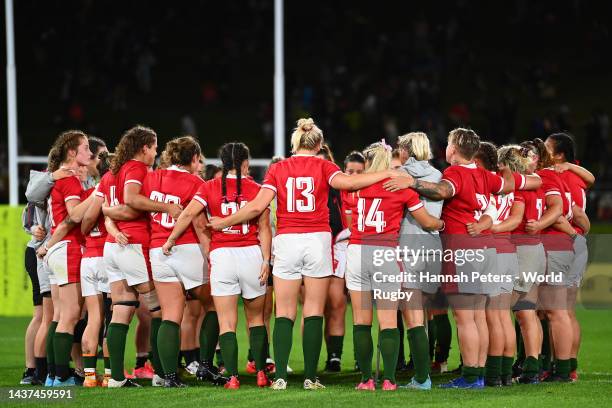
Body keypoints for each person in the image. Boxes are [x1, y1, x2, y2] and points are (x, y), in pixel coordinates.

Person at [208, 118, 402, 390]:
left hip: (287, 240)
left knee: (284, 312)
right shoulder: (325, 165)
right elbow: (349, 184)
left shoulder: (278, 168)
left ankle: (281, 379)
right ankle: (311, 377)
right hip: (317, 241)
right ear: (319, 144)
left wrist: (224, 222)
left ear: (294, 142)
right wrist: (387, 173)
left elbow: (256, 207)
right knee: (313, 310)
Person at [384, 128, 515, 389]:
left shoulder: (455, 172)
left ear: (453, 149)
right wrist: (508, 166)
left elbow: (442, 191)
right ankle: (478, 374)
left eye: (448, 143)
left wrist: (412, 183)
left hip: (462, 247)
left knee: (465, 318)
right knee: (478, 315)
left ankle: (470, 377)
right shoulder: (484, 174)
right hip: (486, 247)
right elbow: (509, 185)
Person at [164, 142, 272, 390]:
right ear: (245, 163)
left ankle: (232, 377)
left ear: (223, 164)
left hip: (222, 256)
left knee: (226, 322)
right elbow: (265, 229)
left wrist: (171, 239)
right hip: (251, 254)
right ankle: (261, 374)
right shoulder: (257, 188)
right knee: (256, 319)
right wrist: (266, 259)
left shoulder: (209, 186)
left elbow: (188, 214)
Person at [345, 141, 444, 391]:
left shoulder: (355, 186)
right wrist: (442, 225)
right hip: (385, 254)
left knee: (360, 320)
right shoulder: (399, 187)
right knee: (388, 321)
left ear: (368, 163)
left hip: (357, 251)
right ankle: (388, 379)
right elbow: (426, 222)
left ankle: (366, 379)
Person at [100, 125, 182, 388]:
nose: (156, 152)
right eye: (154, 146)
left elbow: (107, 209)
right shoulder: (135, 168)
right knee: (159, 310)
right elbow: (132, 199)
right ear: (144, 147)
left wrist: (111, 220)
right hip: (133, 244)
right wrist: (166, 206)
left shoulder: (112, 172)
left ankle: (115, 378)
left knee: (121, 310)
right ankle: (160, 373)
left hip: (113, 246)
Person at [472, 142, 542, 386]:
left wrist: (487, 227)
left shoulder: (485, 182)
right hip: (510, 251)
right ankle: (503, 376)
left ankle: (491, 374)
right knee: (503, 316)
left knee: (492, 316)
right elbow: (515, 217)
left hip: (492, 250)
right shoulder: (510, 185)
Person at [43, 131, 94, 386]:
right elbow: (74, 215)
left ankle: (53, 374)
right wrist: (97, 194)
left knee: (60, 314)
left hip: (57, 250)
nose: (90, 153)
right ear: (72, 152)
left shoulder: (62, 178)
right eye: (85, 148)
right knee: (70, 315)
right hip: (68, 248)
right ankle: (62, 376)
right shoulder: (70, 179)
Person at [395, 132, 444, 389]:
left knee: (412, 315)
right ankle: (428, 369)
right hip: (434, 245)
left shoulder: (400, 174)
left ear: (407, 150)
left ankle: (422, 377)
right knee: (426, 313)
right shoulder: (438, 176)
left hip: (409, 246)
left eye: (399, 148)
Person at [545, 133, 594, 381]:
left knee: (558, 311)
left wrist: (574, 232)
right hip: (576, 243)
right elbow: (582, 215)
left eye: (547, 148)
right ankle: (570, 367)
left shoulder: (561, 177)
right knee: (568, 311)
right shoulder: (576, 176)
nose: (542, 151)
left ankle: (561, 367)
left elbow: (569, 211)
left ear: (559, 155)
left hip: (563, 241)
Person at [317, 144, 347, 372]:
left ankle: (334, 357)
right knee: (314, 307)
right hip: (312, 247)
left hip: (336, 246)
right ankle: (311, 358)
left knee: (337, 303)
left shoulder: (340, 188)